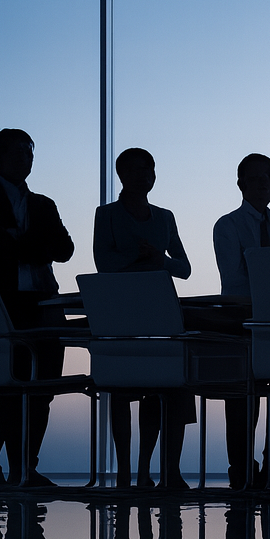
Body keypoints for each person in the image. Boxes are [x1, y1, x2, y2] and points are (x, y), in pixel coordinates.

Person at [0, 128, 75, 487]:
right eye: (21, 152)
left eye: (30, 152)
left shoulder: (44, 204)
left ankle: (24, 468)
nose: (27, 158)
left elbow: (65, 250)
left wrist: (18, 240)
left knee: (41, 391)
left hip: (42, 303)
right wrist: (35, 244)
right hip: (1, 304)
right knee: (1, 386)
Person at [93, 147, 194, 489]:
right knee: (123, 390)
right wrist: (138, 256)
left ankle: (163, 470)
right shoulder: (106, 214)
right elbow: (103, 265)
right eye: (135, 170)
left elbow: (184, 268)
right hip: (122, 313)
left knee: (169, 386)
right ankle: (125, 472)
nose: (143, 176)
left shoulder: (165, 217)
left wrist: (158, 260)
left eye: (148, 169)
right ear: (121, 175)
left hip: (162, 313)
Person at [212, 153, 270, 489]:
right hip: (241, 320)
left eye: (268, 176)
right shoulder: (228, 226)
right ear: (241, 185)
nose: (262, 182)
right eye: (255, 178)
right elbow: (234, 279)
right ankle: (241, 466)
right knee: (241, 395)